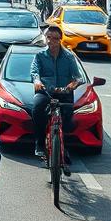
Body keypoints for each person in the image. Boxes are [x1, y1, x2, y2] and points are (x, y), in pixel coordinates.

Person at [30, 24, 81, 164]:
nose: (51, 41)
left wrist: (72, 85)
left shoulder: (69, 57)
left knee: (69, 118)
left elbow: (78, 77)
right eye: (48, 37)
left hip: (64, 92)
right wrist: (37, 81)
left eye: (55, 38)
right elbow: (34, 72)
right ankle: (40, 143)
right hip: (46, 91)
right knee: (37, 109)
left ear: (60, 40)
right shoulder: (40, 56)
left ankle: (64, 148)